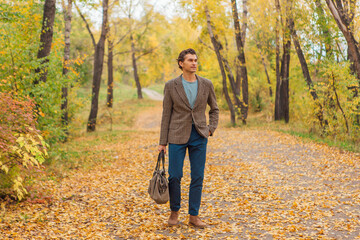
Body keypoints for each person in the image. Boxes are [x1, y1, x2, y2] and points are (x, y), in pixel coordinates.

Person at [158, 48, 219, 228]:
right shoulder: (171, 86)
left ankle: (194, 216)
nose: (194, 63)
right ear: (181, 63)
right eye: (190, 60)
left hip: (199, 135)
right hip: (176, 135)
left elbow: (214, 109)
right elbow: (166, 114)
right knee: (174, 176)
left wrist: (210, 129)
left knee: (197, 176)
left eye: (195, 60)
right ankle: (174, 212)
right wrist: (162, 142)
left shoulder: (206, 84)